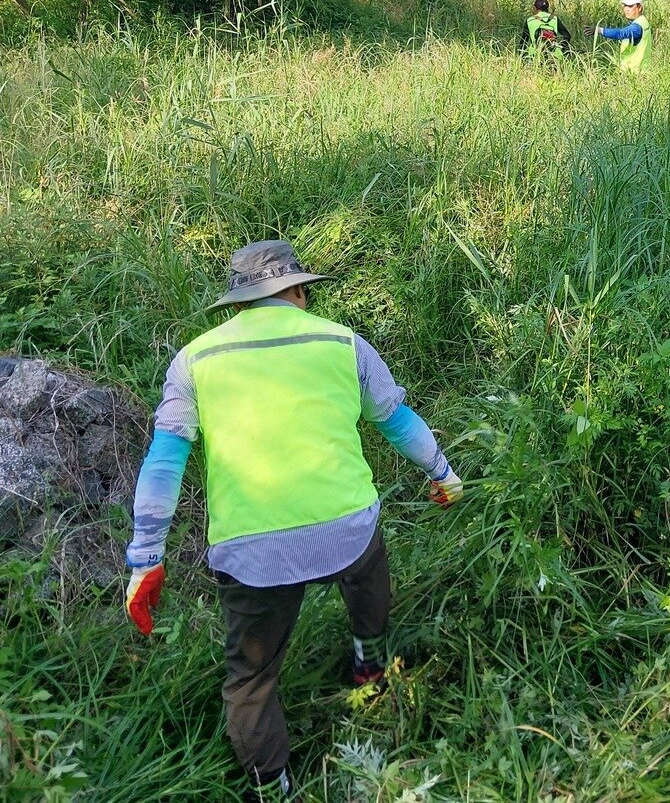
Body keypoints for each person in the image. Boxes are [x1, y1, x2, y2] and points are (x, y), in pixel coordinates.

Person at [122, 240, 465, 801]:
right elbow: (397, 420)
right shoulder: (341, 341)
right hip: (346, 528)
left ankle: (274, 786)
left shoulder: (195, 359)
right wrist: (443, 473)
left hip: (253, 552)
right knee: (367, 570)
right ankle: (370, 660)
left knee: (252, 679)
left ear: (238, 304)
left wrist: (145, 559)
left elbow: (164, 462)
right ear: (300, 292)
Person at [586, 0, 652, 73]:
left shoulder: (637, 27)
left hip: (634, 72)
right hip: (641, 69)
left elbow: (621, 33)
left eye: (631, 6)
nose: (627, 9)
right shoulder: (643, 21)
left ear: (639, 7)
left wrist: (599, 30)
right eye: (625, 5)